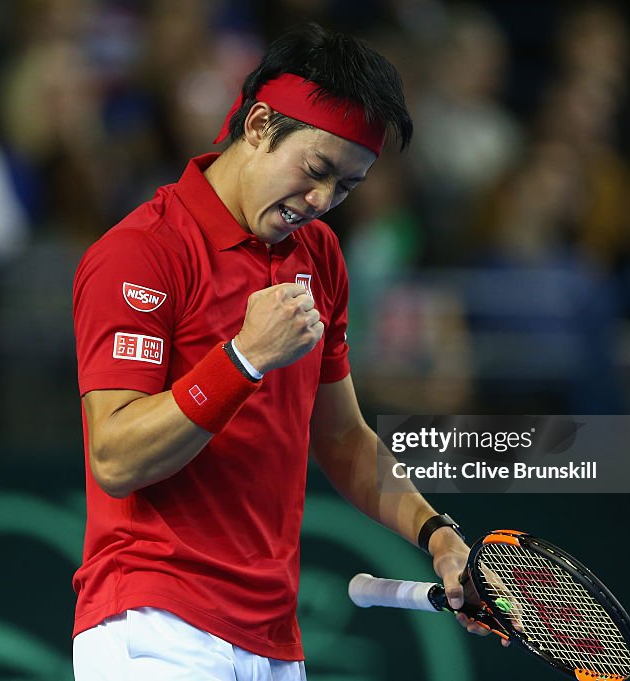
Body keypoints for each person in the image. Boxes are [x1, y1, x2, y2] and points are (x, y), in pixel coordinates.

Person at [71, 23, 504, 680]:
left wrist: (437, 534)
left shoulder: (320, 259)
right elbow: (115, 455)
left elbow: (346, 440)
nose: (323, 202)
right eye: (317, 170)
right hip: (154, 625)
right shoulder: (140, 253)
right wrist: (243, 358)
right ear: (257, 125)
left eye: (347, 186)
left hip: (275, 639)